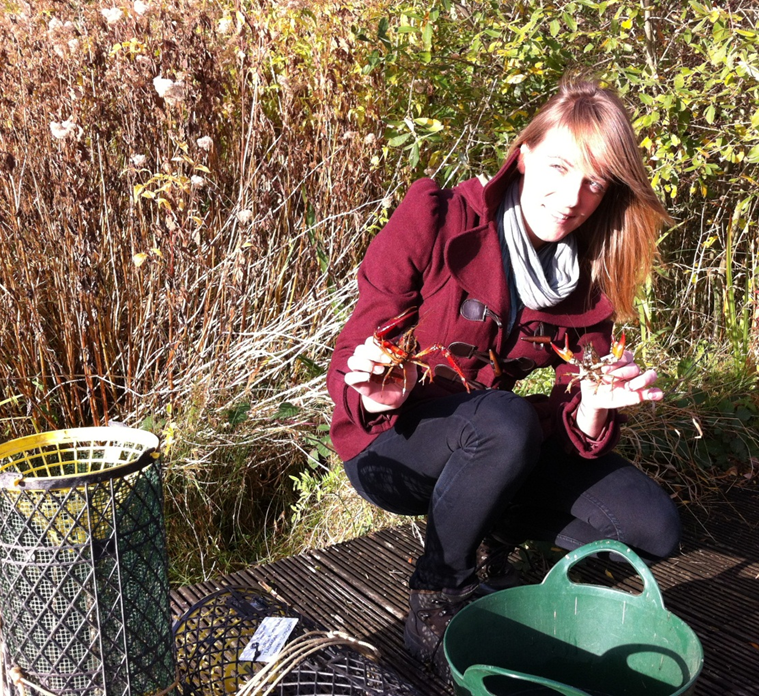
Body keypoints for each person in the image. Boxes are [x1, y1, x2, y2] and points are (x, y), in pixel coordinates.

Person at [326, 75, 681, 675]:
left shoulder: (589, 278)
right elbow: (357, 343)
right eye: (561, 168)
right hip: (395, 442)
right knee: (506, 419)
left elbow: (573, 407)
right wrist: (379, 386)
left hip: (500, 441)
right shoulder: (438, 219)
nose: (571, 197)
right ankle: (437, 594)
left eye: (594, 183)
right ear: (525, 156)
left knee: (653, 529)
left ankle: (491, 530)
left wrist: (593, 406)